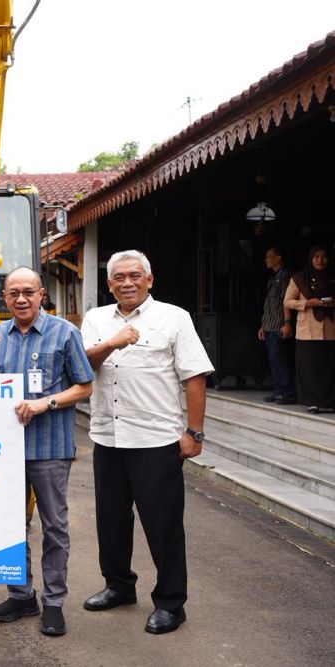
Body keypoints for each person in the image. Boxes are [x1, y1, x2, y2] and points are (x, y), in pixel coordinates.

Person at [80, 250, 213, 635]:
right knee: (111, 520)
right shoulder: (96, 319)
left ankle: (171, 603)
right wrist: (112, 343)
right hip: (108, 437)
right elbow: (83, 365)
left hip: (156, 440)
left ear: (149, 279)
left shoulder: (174, 317)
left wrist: (195, 432)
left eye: (135, 275)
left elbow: (194, 376)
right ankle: (119, 586)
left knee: (163, 525)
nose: (127, 283)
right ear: (109, 284)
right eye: (119, 277)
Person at [0, 267, 94, 637]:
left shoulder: (64, 333)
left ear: (41, 295)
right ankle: (21, 596)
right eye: (14, 293)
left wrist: (44, 403)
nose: (21, 299)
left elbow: (85, 386)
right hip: (6, 451)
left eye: (28, 292)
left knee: (54, 526)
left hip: (49, 446)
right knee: (10, 526)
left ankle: (54, 602)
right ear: (4, 298)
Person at [284, 245, 335, 414]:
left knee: (329, 369)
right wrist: (307, 303)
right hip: (307, 332)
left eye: (324, 256)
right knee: (311, 369)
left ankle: (330, 401)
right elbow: (287, 301)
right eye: (316, 256)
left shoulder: (332, 278)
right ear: (310, 259)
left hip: (330, 331)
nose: (320, 260)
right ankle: (313, 402)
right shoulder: (299, 278)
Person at [257, 247, 296, 403]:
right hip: (270, 325)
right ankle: (278, 390)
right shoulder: (273, 278)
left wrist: (287, 323)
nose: (266, 260)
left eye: (269, 257)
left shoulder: (286, 276)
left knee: (281, 359)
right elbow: (269, 304)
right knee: (273, 360)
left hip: (279, 325)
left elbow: (286, 301)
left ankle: (288, 392)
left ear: (278, 258)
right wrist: (263, 325)